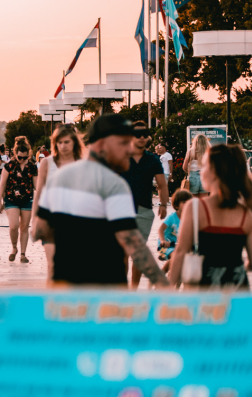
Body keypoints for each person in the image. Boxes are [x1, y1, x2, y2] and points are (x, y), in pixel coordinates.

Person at [33, 114, 169, 287]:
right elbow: (134, 244)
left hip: (65, 289)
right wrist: (164, 286)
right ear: (103, 144)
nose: (130, 149)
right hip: (105, 292)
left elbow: (40, 229)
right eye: (124, 143)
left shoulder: (61, 177)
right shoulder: (113, 184)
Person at [169, 144, 252, 289]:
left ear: (214, 172)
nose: (201, 171)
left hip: (204, 292)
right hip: (238, 291)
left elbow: (180, 252)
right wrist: (235, 269)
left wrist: (166, 289)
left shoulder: (195, 208)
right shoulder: (246, 215)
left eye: (204, 166)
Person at [121, 123, 170, 288]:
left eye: (145, 134)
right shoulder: (121, 156)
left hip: (143, 210)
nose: (141, 137)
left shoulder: (152, 159)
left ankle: (133, 289)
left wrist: (163, 204)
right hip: (121, 210)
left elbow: (162, 184)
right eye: (137, 134)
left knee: (138, 253)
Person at [31, 124, 84, 279]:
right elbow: (39, 193)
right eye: (59, 142)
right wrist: (34, 221)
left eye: (66, 142)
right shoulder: (47, 163)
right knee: (53, 266)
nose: (63, 146)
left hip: (77, 221)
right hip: (50, 220)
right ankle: (52, 301)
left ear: (74, 142)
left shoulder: (83, 163)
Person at [0, 136, 37, 262]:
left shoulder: (32, 166)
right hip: (11, 199)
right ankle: (14, 248)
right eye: (20, 157)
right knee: (14, 226)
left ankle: (23, 254)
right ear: (15, 154)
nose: (22, 160)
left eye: (25, 157)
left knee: (24, 227)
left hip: (27, 199)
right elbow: (2, 184)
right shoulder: (9, 166)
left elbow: (37, 185)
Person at [158, 189, 193, 272]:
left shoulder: (190, 218)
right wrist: (163, 240)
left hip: (178, 245)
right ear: (177, 206)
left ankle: (176, 279)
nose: (188, 204)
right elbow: (160, 229)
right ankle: (161, 275)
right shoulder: (172, 217)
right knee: (176, 257)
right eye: (184, 202)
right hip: (166, 245)